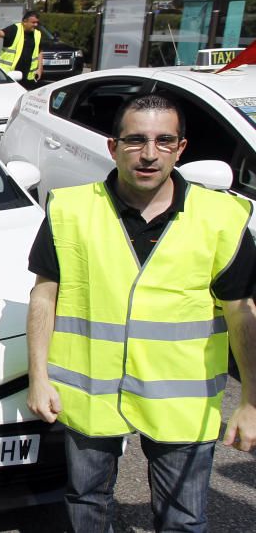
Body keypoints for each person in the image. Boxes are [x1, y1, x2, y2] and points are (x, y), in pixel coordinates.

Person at [25, 93, 256, 532]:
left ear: (181, 148)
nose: (149, 154)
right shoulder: (70, 209)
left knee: (183, 519)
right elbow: (44, 296)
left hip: (181, 403)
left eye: (164, 141)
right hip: (91, 395)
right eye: (135, 141)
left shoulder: (221, 217)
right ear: (113, 147)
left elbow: (242, 313)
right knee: (86, 504)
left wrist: (251, 400)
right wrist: (39, 378)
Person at [0, 10, 43, 90]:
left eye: (37, 22)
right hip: (9, 75)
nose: (36, 25)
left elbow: (39, 52)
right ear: (25, 22)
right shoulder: (15, 29)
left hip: (28, 76)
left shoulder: (37, 34)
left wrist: (40, 68)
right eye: (33, 22)